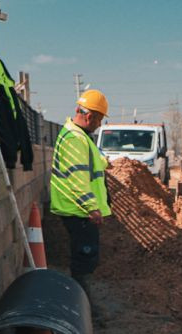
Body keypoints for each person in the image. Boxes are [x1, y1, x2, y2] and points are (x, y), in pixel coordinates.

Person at [50, 89, 112, 284]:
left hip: (78, 209)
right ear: (90, 116)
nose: (99, 124)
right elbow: (77, 176)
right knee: (84, 258)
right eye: (99, 120)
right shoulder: (75, 139)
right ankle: (84, 303)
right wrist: (91, 207)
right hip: (79, 211)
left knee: (84, 256)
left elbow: (91, 164)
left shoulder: (78, 135)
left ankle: (83, 300)